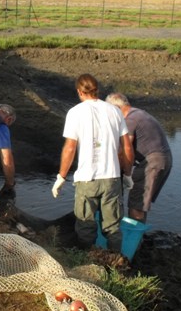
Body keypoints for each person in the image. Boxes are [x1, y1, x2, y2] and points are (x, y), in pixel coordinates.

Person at [51, 74, 134, 252]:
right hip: (111, 178)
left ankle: (86, 262)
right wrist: (127, 174)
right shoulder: (115, 111)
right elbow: (127, 147)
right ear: (97, 90)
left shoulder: (75, 112)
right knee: (113, 227)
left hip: (87, 179)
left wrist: (61, 177)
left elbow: (70, 148)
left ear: (79, 91)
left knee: (85, 226)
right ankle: (115, 264)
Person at [105, 93, 172, 222]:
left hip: (152, 162)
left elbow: (125, 149)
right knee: (140, 201)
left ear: (116, 108)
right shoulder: (139, 113)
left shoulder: (130, 120)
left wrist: (117, 175)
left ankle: (134, 238)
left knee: (137, 204)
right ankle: (137, 235)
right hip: (162, 160)